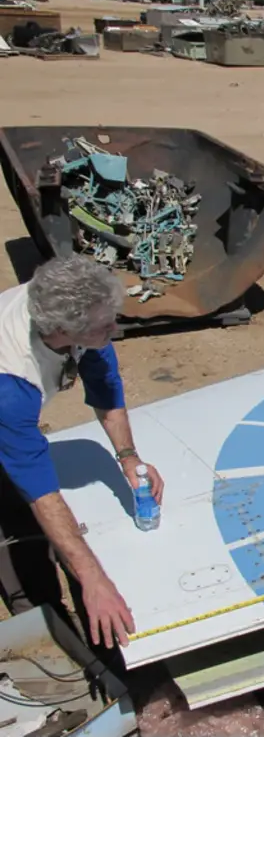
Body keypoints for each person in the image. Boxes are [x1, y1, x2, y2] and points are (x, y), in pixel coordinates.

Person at [0, 255, 164, 653]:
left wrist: (128, 456)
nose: (115, 328)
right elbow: (41, 491)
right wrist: (94, 580)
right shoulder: (11, 384)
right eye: (104, 326)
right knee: (15, 516)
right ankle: (39, 613)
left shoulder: (68, 307)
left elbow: (104, 384)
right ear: (62, 331)